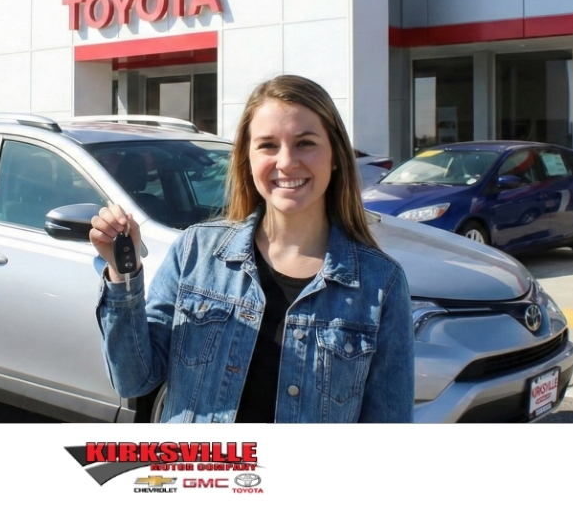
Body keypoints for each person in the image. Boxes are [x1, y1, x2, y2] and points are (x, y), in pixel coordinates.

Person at [90, 75, 414, 423]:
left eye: (305, 143)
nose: (286, 162)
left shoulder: (381, 282)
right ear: (248, 157)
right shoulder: (196, 252)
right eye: (268, 145)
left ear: (335, 155)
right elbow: (134, 379)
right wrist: (122, 275)